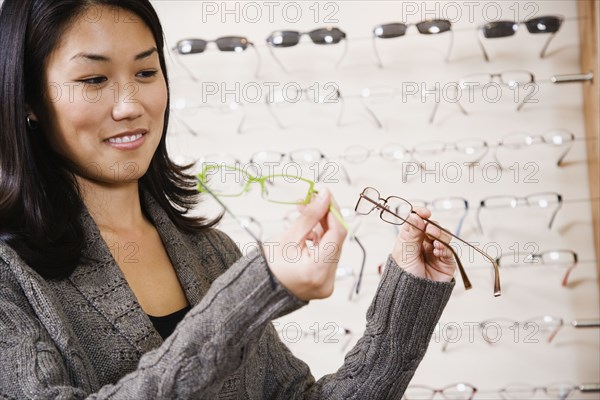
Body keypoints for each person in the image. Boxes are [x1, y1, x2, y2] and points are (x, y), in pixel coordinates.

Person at [0, 0, 456, 398]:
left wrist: (408, 297)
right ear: (28, 99)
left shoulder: (211, 252)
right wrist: (256, 292)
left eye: (145, 72)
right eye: (95, 79)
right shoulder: (9, 273)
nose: (130, 104)